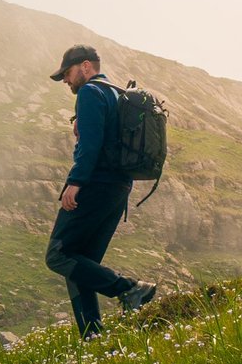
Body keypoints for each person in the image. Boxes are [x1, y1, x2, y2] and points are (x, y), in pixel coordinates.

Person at [45, 44, 159, 337]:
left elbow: (91, 144)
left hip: (96, 184)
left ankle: (130, 289)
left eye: (67, 74)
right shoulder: (116, 93)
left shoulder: (91, 92)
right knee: (79, 262)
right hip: (119, 188)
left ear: (85, 66)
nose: (66, 81)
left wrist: (75, 183)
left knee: (58, 254)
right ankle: (91, 336)